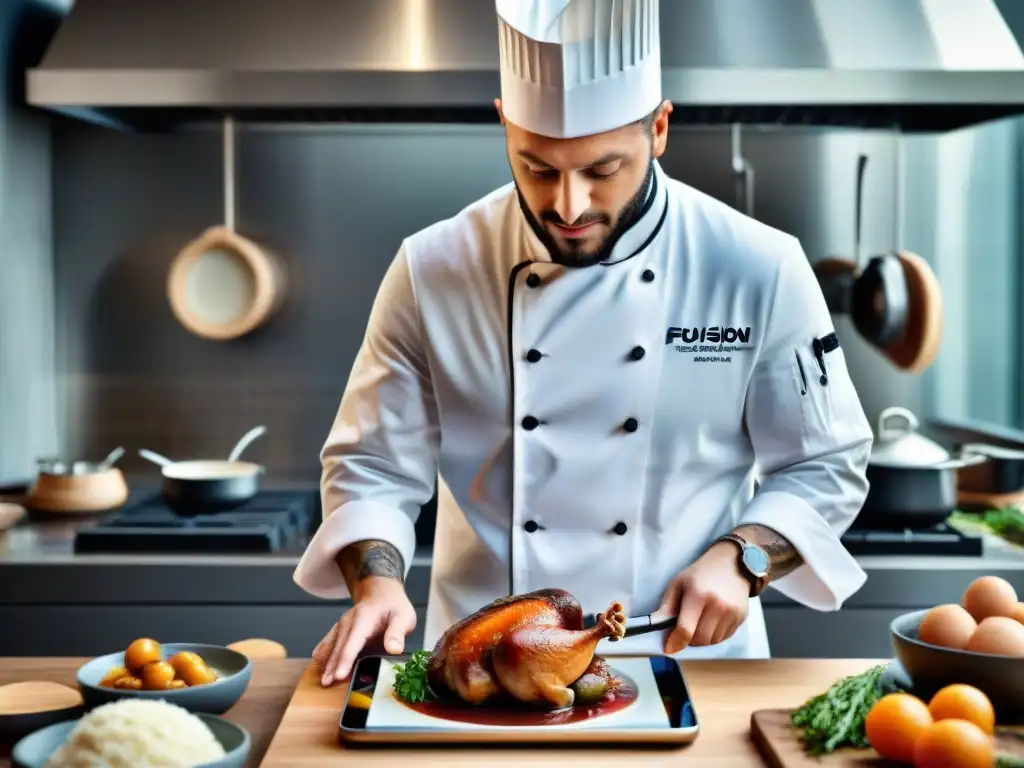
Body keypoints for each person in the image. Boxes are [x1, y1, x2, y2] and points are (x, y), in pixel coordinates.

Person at [295, 0, 874, 687]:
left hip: (686, 665)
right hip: (486, 677)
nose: (568, 206)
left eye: (602, 170)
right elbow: (373, 467)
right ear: (504, 125)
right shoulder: (433, 268)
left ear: (659, 128)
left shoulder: (757, 265)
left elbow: (827, 463)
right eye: (537, 167)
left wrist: (743, 558)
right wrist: (378, 586)